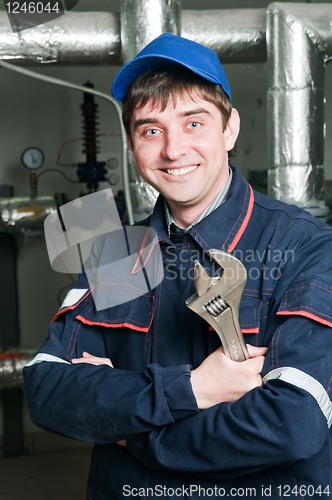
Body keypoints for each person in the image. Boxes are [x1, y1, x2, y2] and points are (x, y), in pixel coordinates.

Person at [24, 33, 332, 499]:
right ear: (132, 145)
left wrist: (134, 435)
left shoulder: (304, 245)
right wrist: (194, 390)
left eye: (194, 123)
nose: (172, 150)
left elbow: (293, 423)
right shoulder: (118, 252)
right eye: (151, 130)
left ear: (229, 129)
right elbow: (48, 392)